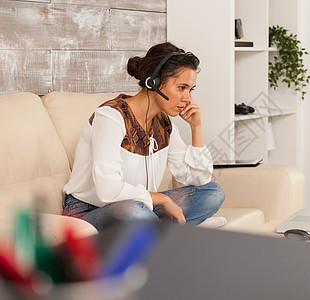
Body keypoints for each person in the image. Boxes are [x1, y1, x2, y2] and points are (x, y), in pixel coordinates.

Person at [62, 42, 225, 232]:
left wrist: (196, 127)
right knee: (133, 211)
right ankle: (177, 231)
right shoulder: (111, 117)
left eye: (191, 89)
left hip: (140, 205)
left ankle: (160, 231)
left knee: (213, 193)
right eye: (182, 88)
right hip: (89, 212)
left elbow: (200, 178)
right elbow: (108, 190)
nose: (187, 98)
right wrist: (162, 199)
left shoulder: (165, 123)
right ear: (153, 82)